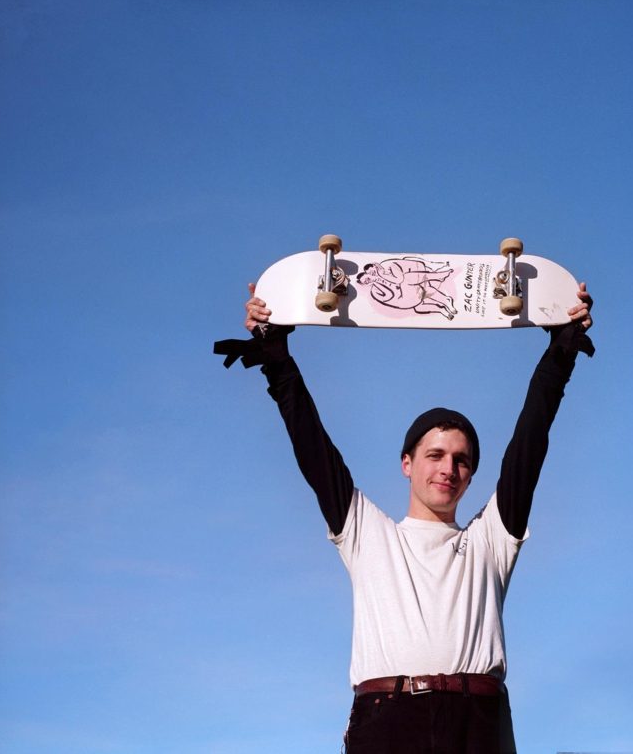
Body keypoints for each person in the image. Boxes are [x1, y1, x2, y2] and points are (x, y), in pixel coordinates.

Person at [214, 279, 593, 753]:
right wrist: (276, 359)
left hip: (477, 723)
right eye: (435, 455)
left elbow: (528, 446)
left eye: (461, 460)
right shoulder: (368, 533)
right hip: (388, 720)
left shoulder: (489, 540)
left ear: (471, 476)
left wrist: (560, 354)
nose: (448, 469)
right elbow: (314, 448)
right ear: (407, 464)